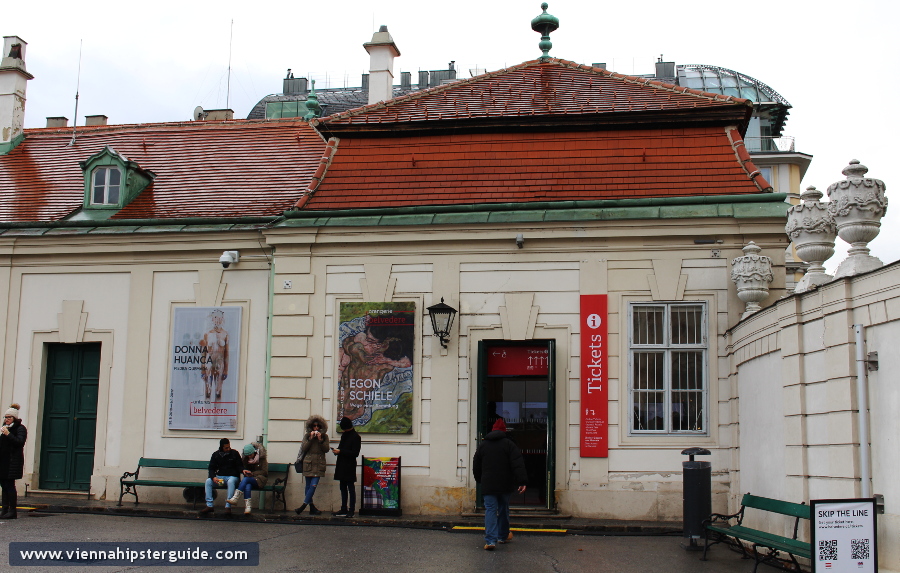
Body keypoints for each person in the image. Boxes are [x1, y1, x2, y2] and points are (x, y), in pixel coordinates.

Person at [472, 418, 527, 550]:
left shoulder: (483, 445)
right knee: (503, 509)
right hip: (505, 483)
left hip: (488, 484)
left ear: (492, 430)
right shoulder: (509, 444)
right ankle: (502, 536)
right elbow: (517, 464)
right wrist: (522, 481)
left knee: (490, 510)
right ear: (504, 431)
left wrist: (480, 480)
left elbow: (476, 466)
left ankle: (490, 540)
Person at [295, 415, 329, 516]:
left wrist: (320, 440)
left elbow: (326, 449)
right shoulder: (306, 436)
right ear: (311, 426)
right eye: (314, 426)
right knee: (308, 486)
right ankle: (312, 508)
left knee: (313, 485)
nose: (316, 428)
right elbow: (304, 448)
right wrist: (310, 438)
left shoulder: (324, 437)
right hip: (308, 463)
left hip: (318, 464)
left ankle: (303, 506)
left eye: (318, 426)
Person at [199, 437, 243, 516]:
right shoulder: (216, 455)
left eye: (229, 447)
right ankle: (209, 505)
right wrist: (213, 477)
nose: (228, 449)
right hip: (221, 479)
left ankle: (228, 506)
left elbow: (239, 465)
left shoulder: (234, 453)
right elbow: (211, 468)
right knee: (208, 481)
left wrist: (243, 471)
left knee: (231, 481)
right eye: (226, 448)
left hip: (232, 477)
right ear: (221, 447)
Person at [0, 404, 26, 520]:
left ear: (14, 418)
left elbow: (19, 442)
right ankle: (4, 509)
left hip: (12, 462)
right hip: (3, 461)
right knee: (3, 485)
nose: (6, 419)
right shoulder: (5, 428)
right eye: (5, 417)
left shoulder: (20, 428)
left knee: (10, 485)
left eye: (9, 417)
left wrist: (8, 434)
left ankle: (12, 511)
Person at [332, 416, 361, 517]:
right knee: (342, 487)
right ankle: (343, 508)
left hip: (349, 465)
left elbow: (355, 453)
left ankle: (351, 510)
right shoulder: (344, 435)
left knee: (350, 488)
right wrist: (337, 451)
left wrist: (341, 451)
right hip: (341, 464)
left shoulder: (356, 437)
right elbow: (341, 447)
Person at [228, 442, 268, 515]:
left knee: (246, 480)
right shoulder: (245, 460)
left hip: (260, 480)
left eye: (250, 455)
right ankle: (248, 507)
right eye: (247, 455)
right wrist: (246, 472)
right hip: (249, 479)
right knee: (247, 485)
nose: (249, 457)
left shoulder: (261, 458)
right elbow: (243, 468)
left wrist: (253, 474)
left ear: (254, 452)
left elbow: (264, 472)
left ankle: (236, 497)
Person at [199, 309, 230, 400]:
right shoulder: (207, 334)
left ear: (222, 319)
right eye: (215, 317)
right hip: (208, 365)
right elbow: (203, 353)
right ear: (212, 319)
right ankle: (206, 413)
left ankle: (217, 413)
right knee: (207, 392)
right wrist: (202, 370)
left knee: (218, 392)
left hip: (220, 365)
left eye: (220, 318)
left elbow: (227, 353)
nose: (217, 320)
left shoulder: (225, 334)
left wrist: (226, 370)